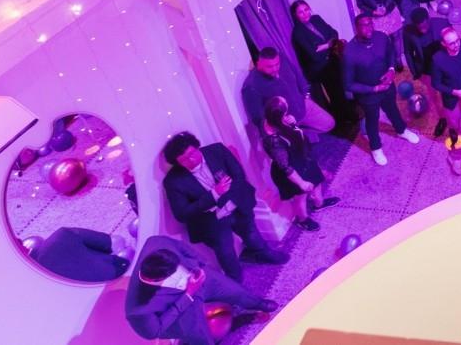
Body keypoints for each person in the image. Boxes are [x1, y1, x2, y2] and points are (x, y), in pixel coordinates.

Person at [161, 132, 287, 281]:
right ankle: (236, 282)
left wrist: (224, 197)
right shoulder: (173, 181)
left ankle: (264, 253)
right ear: (177, 163)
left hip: (237, 203)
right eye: (184, 159)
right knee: (226, 253)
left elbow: (238, 175)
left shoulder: (217, 150)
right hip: (212, 221)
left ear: (196, 146)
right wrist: (214, 195)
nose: (192, 159)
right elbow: (181, 214)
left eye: (192, 152)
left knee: (251, 233)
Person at [125, 235, 276, 345]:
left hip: (203, 278)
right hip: (181, 310)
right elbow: (154, 331)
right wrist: (188, 295)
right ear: (155, 280)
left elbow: (182, 248)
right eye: (174, 274)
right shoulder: (137, 311)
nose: (179, 273)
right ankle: (239, 320)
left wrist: (200, 265)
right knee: (203, 340)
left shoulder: (156, 243)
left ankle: (258, 303)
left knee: (235, 291)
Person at [343, 13, 420, 166]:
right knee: (372, 120)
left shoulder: (381, 37)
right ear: (356, 28)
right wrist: (374, 88)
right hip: (368, 95)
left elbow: (390, 54)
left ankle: (401, 130)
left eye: (370, 23)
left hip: (387, 86)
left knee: (393, 109)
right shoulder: (349, 52)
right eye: (363, 25)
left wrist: (391, 70)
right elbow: (348, 84)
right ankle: (376, 147)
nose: (368, 28)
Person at [260, 96, 338, 231]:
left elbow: (295, 135)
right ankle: (303, 219)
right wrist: (301, 183)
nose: (288, 113)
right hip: (292, 170)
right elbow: (286, 167)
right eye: (285, 112)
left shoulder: (279, 121)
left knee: (317, 180)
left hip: (302, 159)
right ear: (279, 116)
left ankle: (319, 204)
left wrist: (292, 124)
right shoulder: (274, 142)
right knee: (300, 197)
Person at [240, 45, 336, 139]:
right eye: (269, 66)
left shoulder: (282, 58)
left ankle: (300, 133)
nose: (275, 69)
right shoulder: (251, 86)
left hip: (302, 105)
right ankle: (296, 135)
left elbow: (297, 73)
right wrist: (281, 122)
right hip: (286, 121)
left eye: (277, 64)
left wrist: (305, 92)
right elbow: (258, 118)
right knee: (297, 145)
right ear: (259, 64)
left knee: (329, 123)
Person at [289, 0, 355, 132]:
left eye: (306, 9)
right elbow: (313, 55)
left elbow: (334, 33)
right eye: (300, 12)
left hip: (331, 57)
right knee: (335, 91)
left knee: (342, 84)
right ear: (296, 15)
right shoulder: (297, 33)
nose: (305, 14)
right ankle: (342, 119)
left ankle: (348, 111)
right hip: (318, 67)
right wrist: (328, 44)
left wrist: (323, 46)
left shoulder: (316, 19)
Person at [431, 27, 461, 167]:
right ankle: (456, 138)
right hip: (452, 99)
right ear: (444, 44)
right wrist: (455, 92)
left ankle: (455, 157)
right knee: (455, 126)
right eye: (451, 43)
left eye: (457, 40)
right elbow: (436, 83)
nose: (456, 44)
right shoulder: (438, 59)